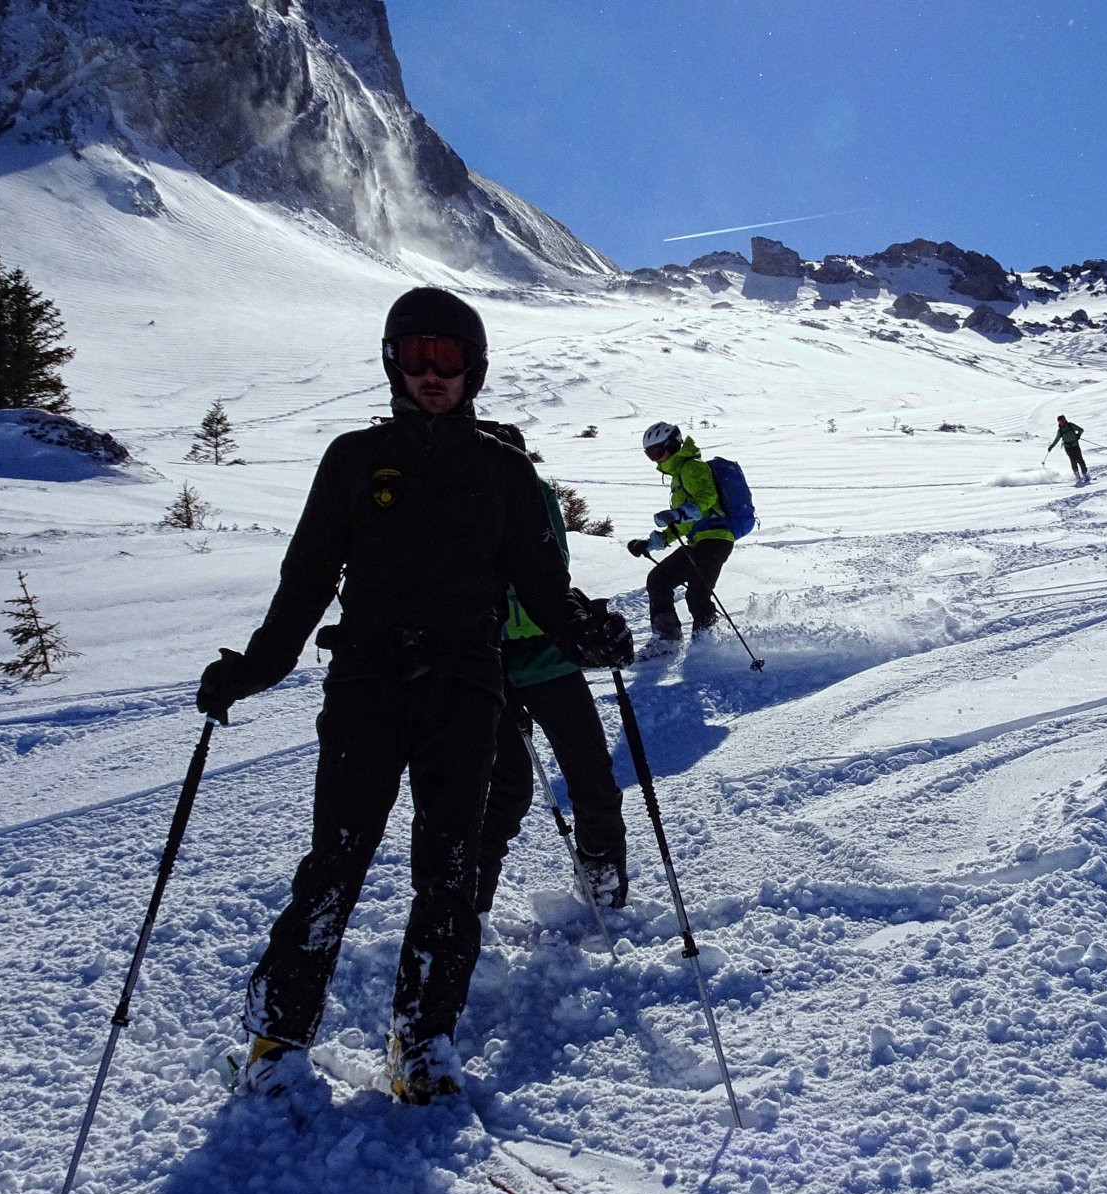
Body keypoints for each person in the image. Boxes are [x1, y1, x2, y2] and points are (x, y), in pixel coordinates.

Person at [195, 287, 631, 1104]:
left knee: (451, 874)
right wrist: (251, 670)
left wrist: (587, 632)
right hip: (365, 686)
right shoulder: (354, 460)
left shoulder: (503, 472)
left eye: (448, 357)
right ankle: (274, 1042)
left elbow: (544, 589)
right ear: (393, 363)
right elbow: (304, 585)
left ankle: (423, 1042)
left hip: (465, 691)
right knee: (334, 864)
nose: (432, 373)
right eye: (415, 356)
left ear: (474, 369)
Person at [480, 478, 630, 912]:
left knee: (585, 776)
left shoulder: (531, 488)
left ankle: (601, 883)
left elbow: (552, 567)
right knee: (512, 785)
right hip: (488, 659)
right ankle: (466, 898)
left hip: (546, 651)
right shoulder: (453, 486)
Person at [626, 421, 735, 646]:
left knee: (697, 594)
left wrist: (678, 513)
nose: (655, 459)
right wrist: (652, 543)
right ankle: (667, 640)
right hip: (699, 541)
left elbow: (707, 498)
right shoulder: (679, 475)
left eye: (657, 452)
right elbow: (685, 522)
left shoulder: (692, 467)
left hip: (715, 539)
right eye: (649, 454)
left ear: (672, 445)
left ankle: (706, 646)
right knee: (658, 580)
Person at [1051, 414, 1089, 483]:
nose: (1062, 422)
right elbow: (1056, 439)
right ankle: (1077, 476)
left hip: (1075, 445)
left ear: (1065, 419)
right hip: (1068, 447)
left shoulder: (1070, 425)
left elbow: (1081, 430)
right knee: (1073, 461)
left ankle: (1085, 474)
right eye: (1060, 421)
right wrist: (1051, 447)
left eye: (1063, 420)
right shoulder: (1060, 431)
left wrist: (1078, 435)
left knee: (1080, 459)